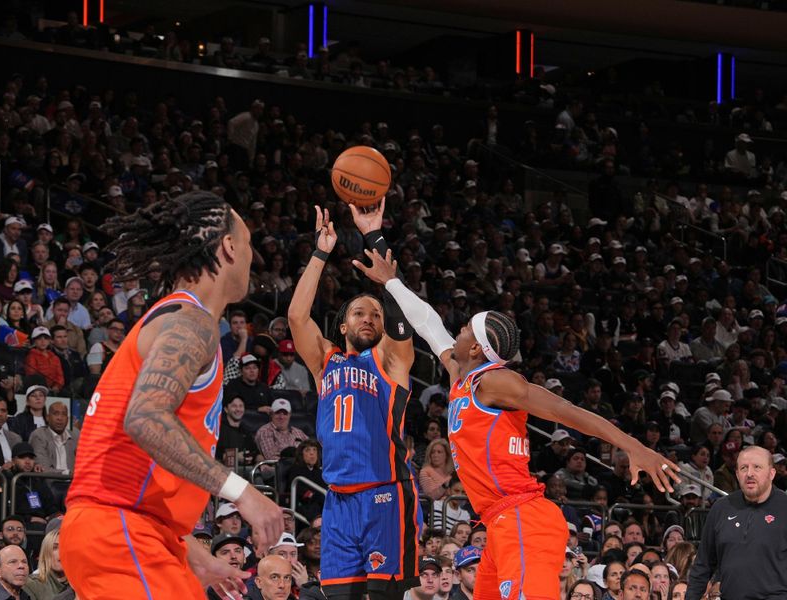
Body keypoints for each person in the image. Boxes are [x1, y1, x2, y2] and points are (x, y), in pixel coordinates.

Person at [353, 248, 679, 600]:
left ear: (476, 349)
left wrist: (634, 446)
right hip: (499, 524)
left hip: (524, 519)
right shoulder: (461, 376)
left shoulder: (495, 383)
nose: (457, 331)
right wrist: (391, 282)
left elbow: (566, 409)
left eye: (464, 329)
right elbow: (430, 325)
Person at [60, 192, 283, 599]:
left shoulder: (182, 321)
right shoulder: (190, 321)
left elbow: (146, 471)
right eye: (250, 245)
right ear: (230, 247)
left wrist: (194, 554)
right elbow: (144, 418)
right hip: (118, 527)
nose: (254, 259)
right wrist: (242, 491)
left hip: (143, 532)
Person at [288, 204, 419, 600]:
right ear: (343, 325)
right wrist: (320, 253)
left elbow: (401, 323)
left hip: (385, 493)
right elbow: (297, 316)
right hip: (339, 501)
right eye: (359, 313)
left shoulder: (390, 361)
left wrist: (379, 254)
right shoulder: (324, 361)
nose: (368, 319)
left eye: (375, 315)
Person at [687, 445, 787, 600]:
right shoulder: (721, 508)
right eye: (743, 468)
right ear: (737, 474)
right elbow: (703, 564)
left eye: (757, 467)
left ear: (771, 473)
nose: (749, 474)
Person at [29, 402, 78, 474]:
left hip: (72, 483)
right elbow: (43, 468)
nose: (60, 418)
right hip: (49, 483)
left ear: (67, 419)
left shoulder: (74, 438)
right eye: (56, 414)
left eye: (63, 414)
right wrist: (68, 473)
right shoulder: (39, 435)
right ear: (47, 417)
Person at [23, 528, 70, 600]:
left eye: (65, 547)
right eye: (55, 547)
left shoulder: (80, 585)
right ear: (45, 553)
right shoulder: (32, 584)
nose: (61, 552)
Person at [0, 397, 21, 470]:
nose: (0, 414)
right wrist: (0, 469)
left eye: (3, 411)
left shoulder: (16, 438)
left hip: (13, 478)